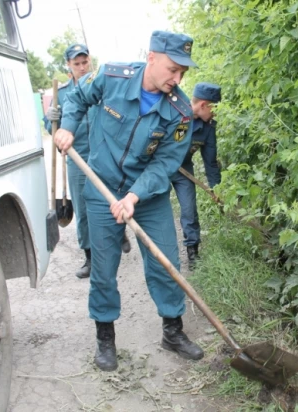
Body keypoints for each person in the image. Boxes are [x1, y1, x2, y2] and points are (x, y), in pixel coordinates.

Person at [53, 31, 203, 372]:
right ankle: (105, 338)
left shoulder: (180, 113)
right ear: (151, 57)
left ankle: (173, 331)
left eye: (183, 73)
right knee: (103, 270)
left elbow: (165, 163)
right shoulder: (111, 76)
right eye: (172, 69)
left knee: (165, 261)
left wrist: (135, 196)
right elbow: (76, 100)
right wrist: (69, 128)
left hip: (147, 196)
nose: (177, 79)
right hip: (101, 187)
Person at [44, 44, 131, 280]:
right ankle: (90, 257)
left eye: (85, 63)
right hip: (78, 157)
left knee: (112, 199)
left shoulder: (101, 85)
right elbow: (51, 127)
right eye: (76, 64)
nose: (82, 68)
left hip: (105, 155)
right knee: (83, 210)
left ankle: (119, 233)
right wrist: (50, 118)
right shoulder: (61, 94)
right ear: (68, 66)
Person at [171, 82, 221, 270]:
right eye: (214, 108)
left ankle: (193, 253)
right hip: (160, 167)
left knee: (189, 210)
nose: (216, 113)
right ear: (203, 105)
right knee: (155, 208)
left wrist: (217, 189)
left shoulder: (208, 128)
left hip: (184, 170)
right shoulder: (174, 113)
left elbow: (211, 162)